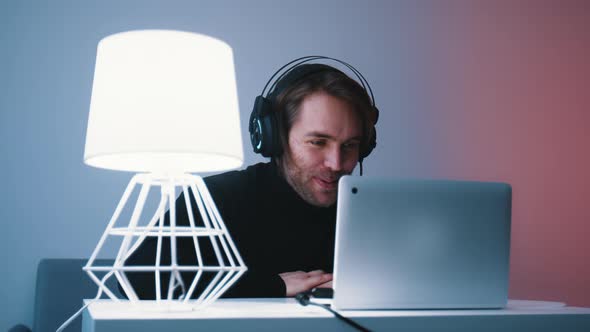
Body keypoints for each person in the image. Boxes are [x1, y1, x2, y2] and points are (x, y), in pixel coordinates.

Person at [124, 57, 378, 298]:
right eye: (318, 142)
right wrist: (271, 286)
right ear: (275, 138)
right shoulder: (216, 197)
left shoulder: (371, 214)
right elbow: (137, 281)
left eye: (349, 145)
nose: (335, 163)